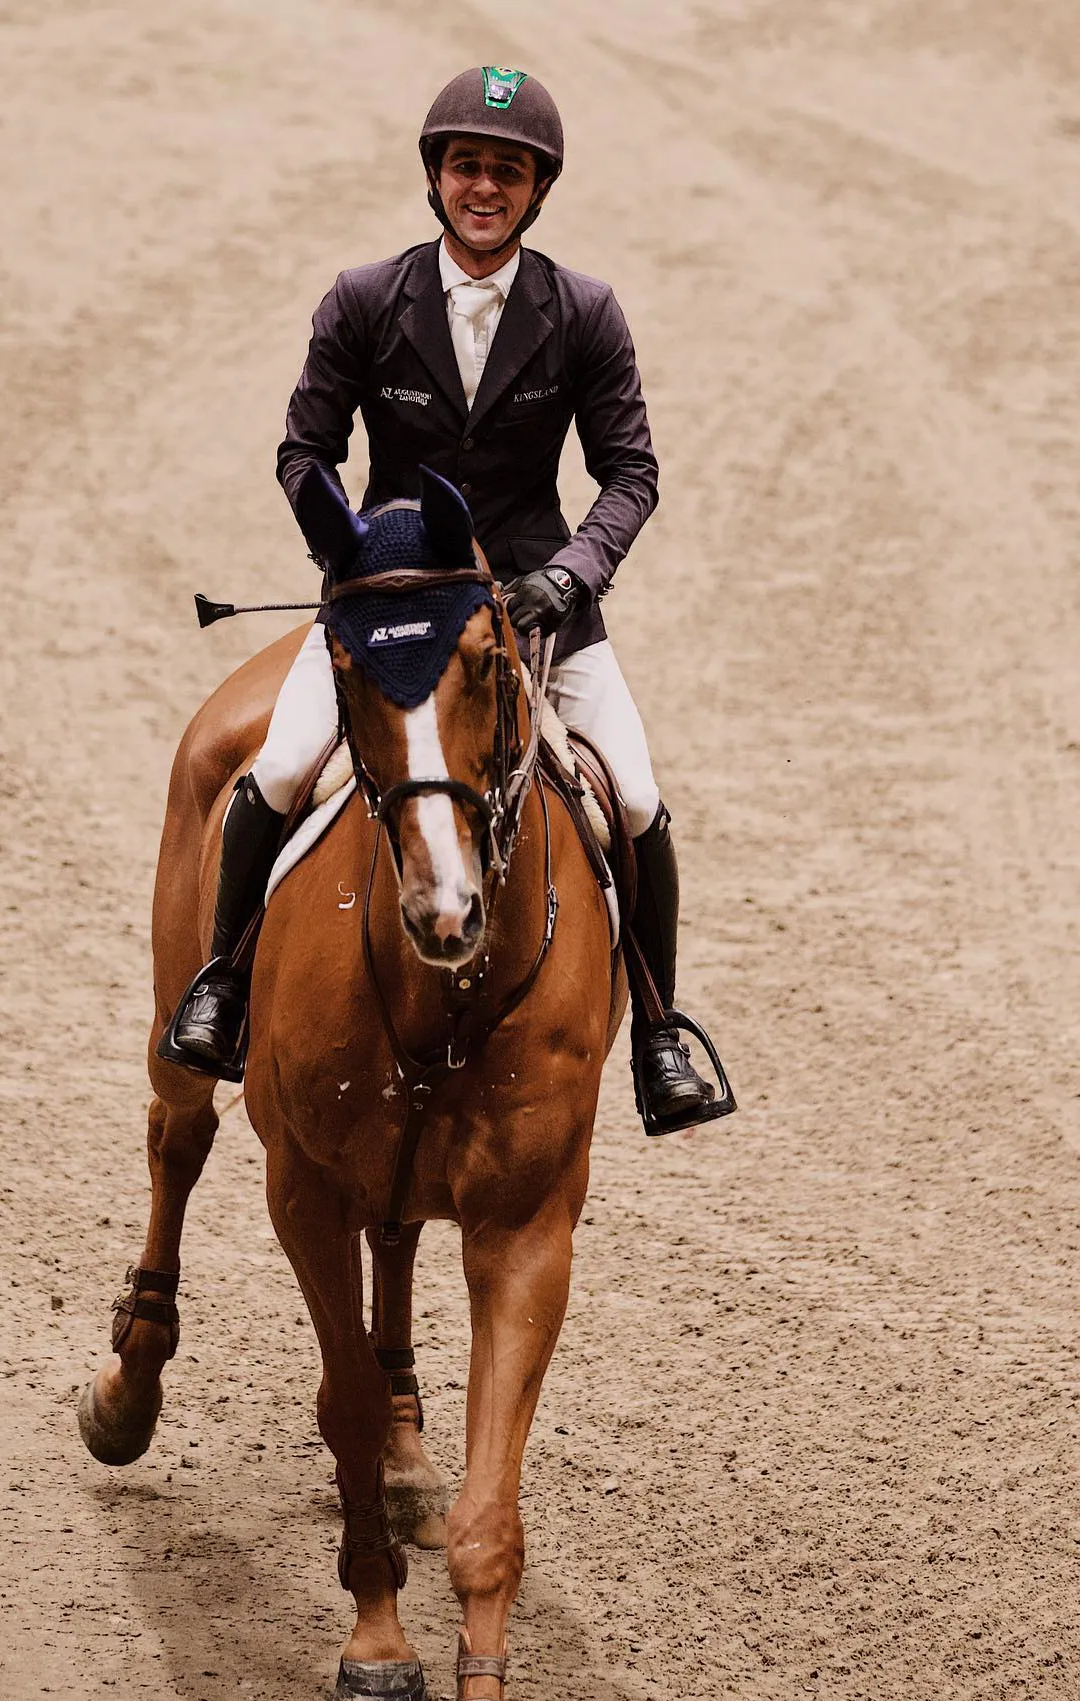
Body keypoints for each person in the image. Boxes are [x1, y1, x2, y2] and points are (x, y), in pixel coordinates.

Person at [161, 65, 727, 1131]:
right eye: (467, 166)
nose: (484, 188)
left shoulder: (584, 312)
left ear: (537, 191)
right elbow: (304, 452)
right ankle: (224, 987)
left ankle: (658, 1033)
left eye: (507, 172)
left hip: (538, 604)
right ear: (436, 177)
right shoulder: (366, 299)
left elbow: (630, 472)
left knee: (634, 796)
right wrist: (351, 550)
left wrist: (572, 572)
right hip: (391, 601)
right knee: (279, 767)